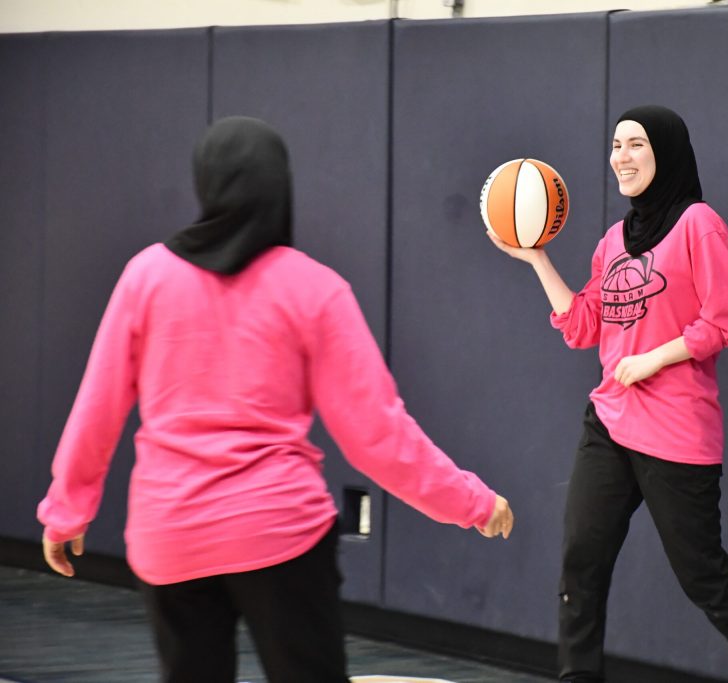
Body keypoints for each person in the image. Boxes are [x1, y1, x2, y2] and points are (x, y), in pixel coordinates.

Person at [38, 116, 514, 683]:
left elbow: (98, 407)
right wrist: (472, 503)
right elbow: (378, 436)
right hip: (279, 535)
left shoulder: (145, 276)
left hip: (170, 536)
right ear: (279, 185)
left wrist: (66, 511)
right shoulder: (314, 288)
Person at [487, 105, 728, 683]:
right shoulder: (612, 241)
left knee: (704, 577)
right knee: (581, 563)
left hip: (677, 432)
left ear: (666, 153)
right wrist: (537, 259)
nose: (620, 157)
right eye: (615, 145)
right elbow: (582, 326)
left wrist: (655, 357)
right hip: (609, 422)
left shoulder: (699, 224)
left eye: (636, 146)